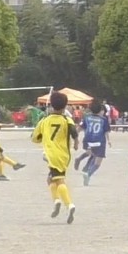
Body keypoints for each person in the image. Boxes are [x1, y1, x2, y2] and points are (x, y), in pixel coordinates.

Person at [32, 91, 79, 223]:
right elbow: (74, 132)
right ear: (65, 106)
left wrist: (43, 137)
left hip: (51, 155)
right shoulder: (66, 120)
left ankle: (69, 204)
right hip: (64, 155)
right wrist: (76, 143)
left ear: (51, 105)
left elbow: (35, 138)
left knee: (58, 180)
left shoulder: (44, 121)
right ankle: (57, 201)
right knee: (51, 179)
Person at [73, 100, 111, 185]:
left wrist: (75, 136)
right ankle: (88, 173)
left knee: (90, 152)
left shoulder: (87, 118)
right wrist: (109, 141)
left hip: (88, 140)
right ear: (100, 110)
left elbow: (80, 128)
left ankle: (80, 160)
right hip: (99, 142)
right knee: (97, 162)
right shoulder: (103, 120)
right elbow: (106, 132)